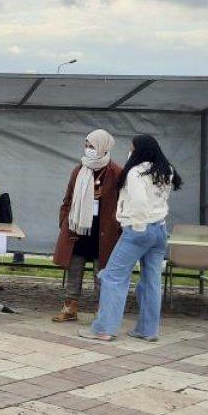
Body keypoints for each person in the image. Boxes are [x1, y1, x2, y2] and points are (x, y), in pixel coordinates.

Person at [80, 134, 182, 342]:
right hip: (160, 230)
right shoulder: (167, 170)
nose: (130, 151)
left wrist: (137, 227)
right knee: (151, 281)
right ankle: (148, 330)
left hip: (138, 230)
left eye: (132, 148)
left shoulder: (135, 173)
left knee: (112, 277)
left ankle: (104, 329)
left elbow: (140, 202)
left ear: (139, 150)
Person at [51, 130, 122, 323]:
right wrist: (65, 221)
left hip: (104, 231)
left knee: (102, 273)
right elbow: (68, 198)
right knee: (74, 268)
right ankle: (70, 308)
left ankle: (102, 311)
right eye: (87, 145)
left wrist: (118, 227)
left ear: (103, 147)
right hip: (79, 228)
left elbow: (122, 202)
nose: (89, 150)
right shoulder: (79, 169)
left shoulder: (116, 172)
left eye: (93, 146)